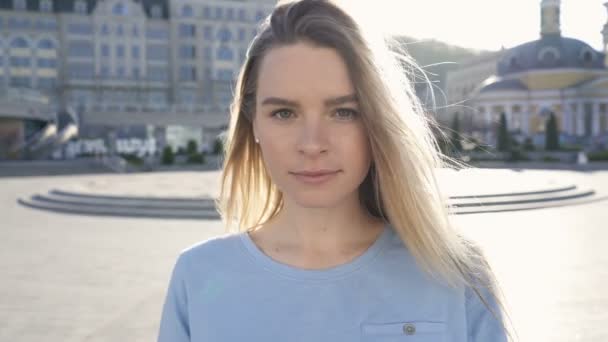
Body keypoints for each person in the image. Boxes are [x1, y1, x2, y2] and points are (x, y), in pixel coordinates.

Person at [158, 0, 512, 341]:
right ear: (253, 126)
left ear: (377, 122)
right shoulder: (198, 276)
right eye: (284, 113)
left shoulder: (457, 273)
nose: (313, 144)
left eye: (343, 112)